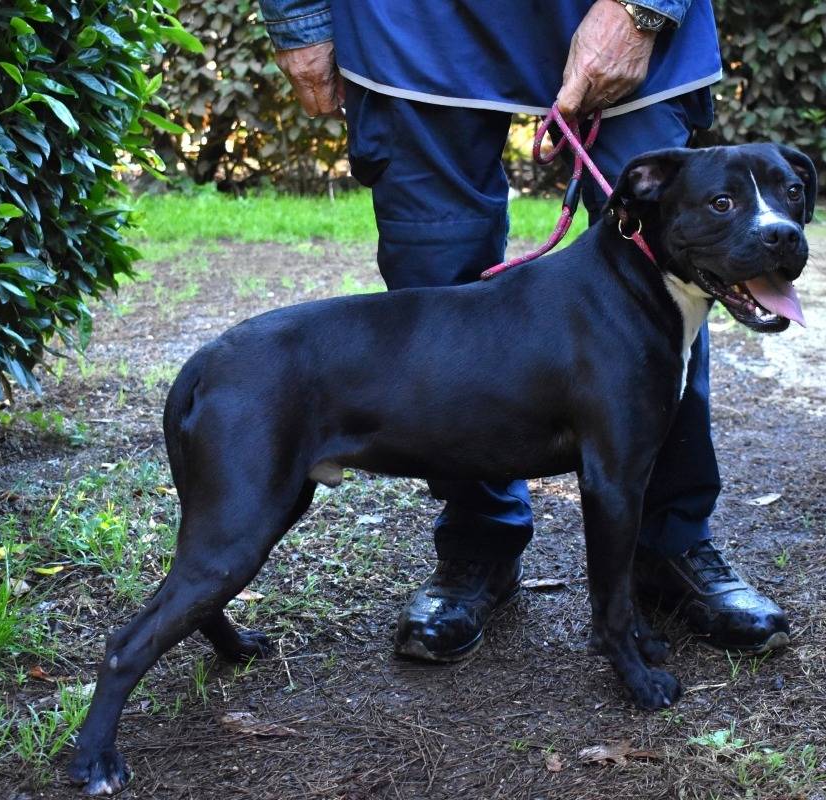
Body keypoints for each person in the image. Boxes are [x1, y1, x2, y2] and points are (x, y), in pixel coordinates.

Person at [258, 0, 790, 662]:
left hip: (616, 14)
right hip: (409, 32)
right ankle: (479, 541)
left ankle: (668, 540)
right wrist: (298, 20)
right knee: (436, 274)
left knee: (671, 272)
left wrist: (643, 7)